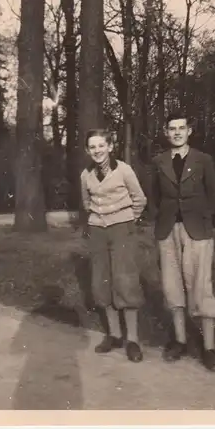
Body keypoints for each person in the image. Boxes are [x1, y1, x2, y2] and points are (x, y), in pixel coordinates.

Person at [151, 111, 215, 371]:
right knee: (172, 285)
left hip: (197, 231)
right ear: (166, 132)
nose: (177, 132)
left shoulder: (203, 160)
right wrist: (161, 220)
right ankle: (180, 341)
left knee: (200, 284)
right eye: (172, 128)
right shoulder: (159, 161)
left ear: (189, 131)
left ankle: (209, 348)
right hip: (168, 229)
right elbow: (154, 196)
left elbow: (212, 193)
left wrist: (203, 218)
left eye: (181, 128)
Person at [80, 128, 147, 363]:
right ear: (88, 150)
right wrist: (98, 220)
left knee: (125, 280)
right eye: (93, 147)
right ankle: (114, 335)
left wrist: (127, 219)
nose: (97, 150)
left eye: (101, 145)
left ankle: (133, 340)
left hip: (122, 230)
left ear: (110, 146)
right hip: (97, 231)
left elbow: (140, 199)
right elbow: (87, 202)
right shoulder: (86, 175)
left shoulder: (124, 170)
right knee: (101, 281)